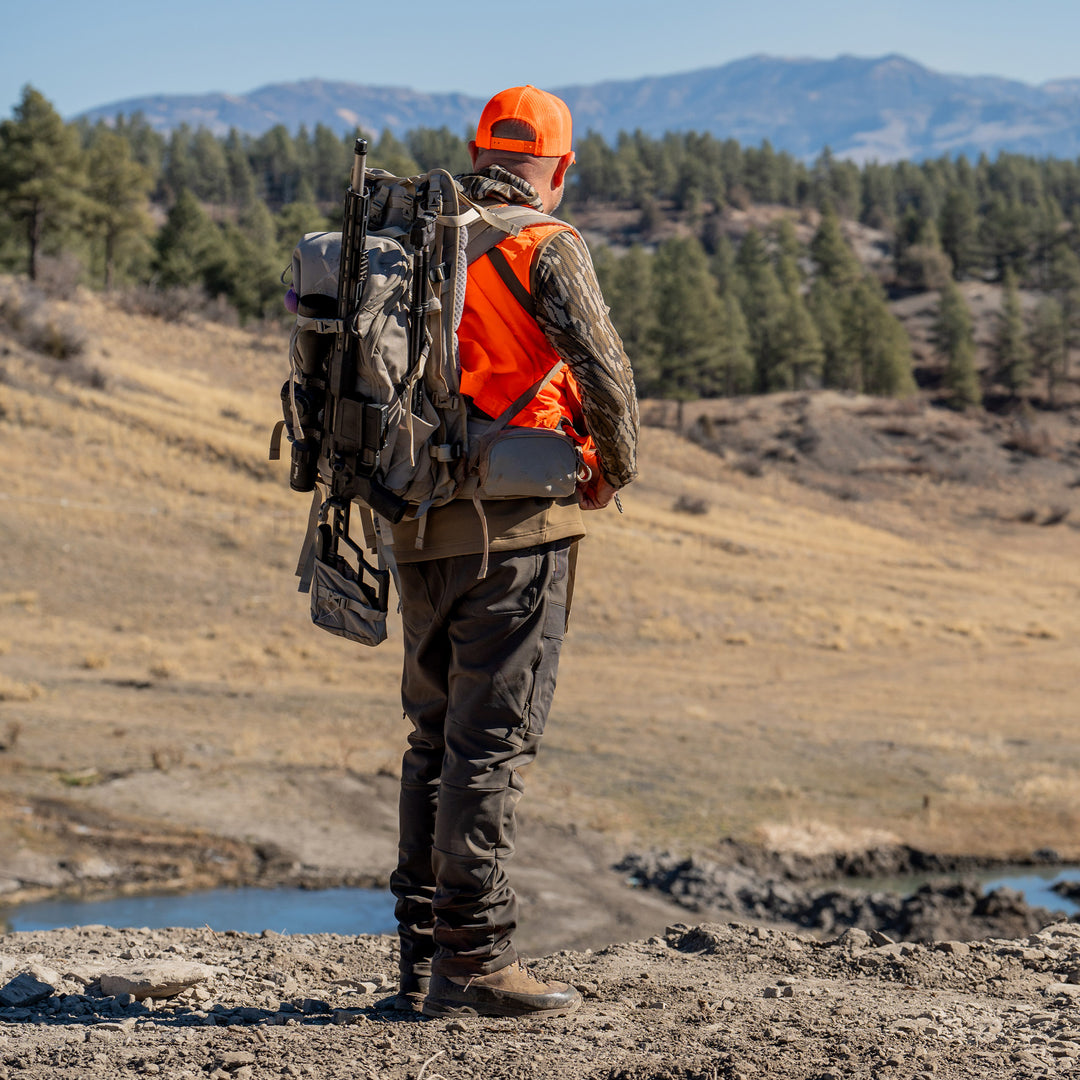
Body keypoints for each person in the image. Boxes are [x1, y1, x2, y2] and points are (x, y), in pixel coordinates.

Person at [383, 85, 639, 1019]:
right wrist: (613, 469)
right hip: (518, 527)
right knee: (489, 741)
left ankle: (418, 961)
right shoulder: (546, 243)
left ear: (475, 149)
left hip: (413, 525)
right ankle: (476, 961)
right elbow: (606, 375)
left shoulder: (415, 235)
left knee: (431, 738)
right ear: (560, 169)